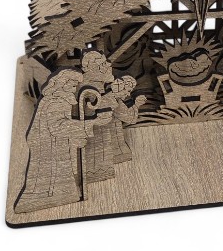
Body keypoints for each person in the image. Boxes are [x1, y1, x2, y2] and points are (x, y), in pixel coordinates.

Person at [14, 68, 110, 213]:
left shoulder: (59, 99)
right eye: (73, 85)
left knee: (59, 174)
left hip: (55, 144)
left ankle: (58, 194)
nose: (74, 89)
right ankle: (46, 197)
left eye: (75, 86)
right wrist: (93, 122)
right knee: (49, 177)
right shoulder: (56, 101)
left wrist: (76, 137)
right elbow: (58, 127)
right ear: (62, 84)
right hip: (50, 147)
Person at [85, 75, 147, 182]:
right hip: (102, 137)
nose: (128, 94)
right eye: (127, 90)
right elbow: (128, 118)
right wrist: (136, 104)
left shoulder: (112, 98)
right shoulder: (111, 100)